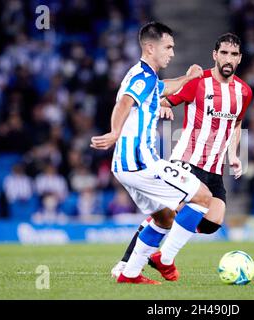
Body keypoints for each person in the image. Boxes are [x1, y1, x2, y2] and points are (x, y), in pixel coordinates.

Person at [111, 33, 253, 280]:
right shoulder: (198, 82)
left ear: (240, 58)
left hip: (215, 169)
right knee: (167, 214)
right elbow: (162, 98)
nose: (228, 58)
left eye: (234, 54)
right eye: (224, 53)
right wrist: (163, 108)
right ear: (215, 55)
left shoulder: (244, 92)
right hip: (187, 162)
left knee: (212, 223)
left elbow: (237, 124)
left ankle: (158, 254)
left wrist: (234, 155)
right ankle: (129, 263)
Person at [90, 21, 212, 285]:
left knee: (164, 218)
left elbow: (165, 87)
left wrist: (188, 79)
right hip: (141, 162)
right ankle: (164, 259)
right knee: (203, 197)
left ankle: (130, 274)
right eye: (168, 47)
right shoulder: (142, 78)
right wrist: (114, 131)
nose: (172, 53)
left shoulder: (145, 77)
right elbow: (125, 102)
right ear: (149, 47)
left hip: (125, 167)